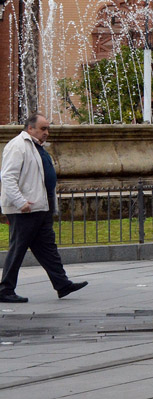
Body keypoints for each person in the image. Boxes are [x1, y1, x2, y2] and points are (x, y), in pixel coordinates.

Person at [0, 114, 88, 303]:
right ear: (30, 128)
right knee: (18, 248)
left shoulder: (36, 146)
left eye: (48, 128)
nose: (47, 132)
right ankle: (5, 289)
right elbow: (7, 177)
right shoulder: (18, 146)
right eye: (43, 128)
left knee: (47, 248)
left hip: (40, 207)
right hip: (25, 209)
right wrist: (20, 202)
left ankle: (62, 284)